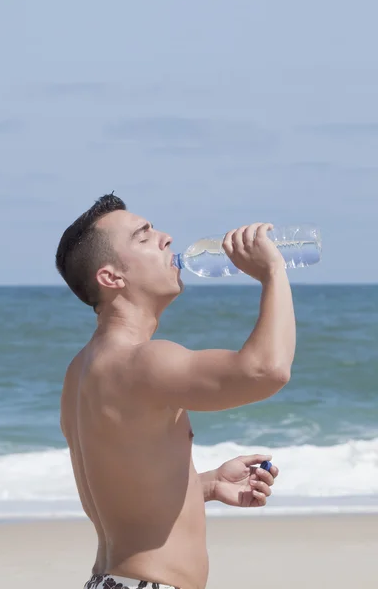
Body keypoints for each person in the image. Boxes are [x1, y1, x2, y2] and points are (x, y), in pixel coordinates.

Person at [56, 193, 295, 589]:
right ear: (112, 277)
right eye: (143, 237)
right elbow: (267, 370)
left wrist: (207, 485)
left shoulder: (80, 371)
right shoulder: (143, 361)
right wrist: (273, 272)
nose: (166, 237)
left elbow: (119, 494)